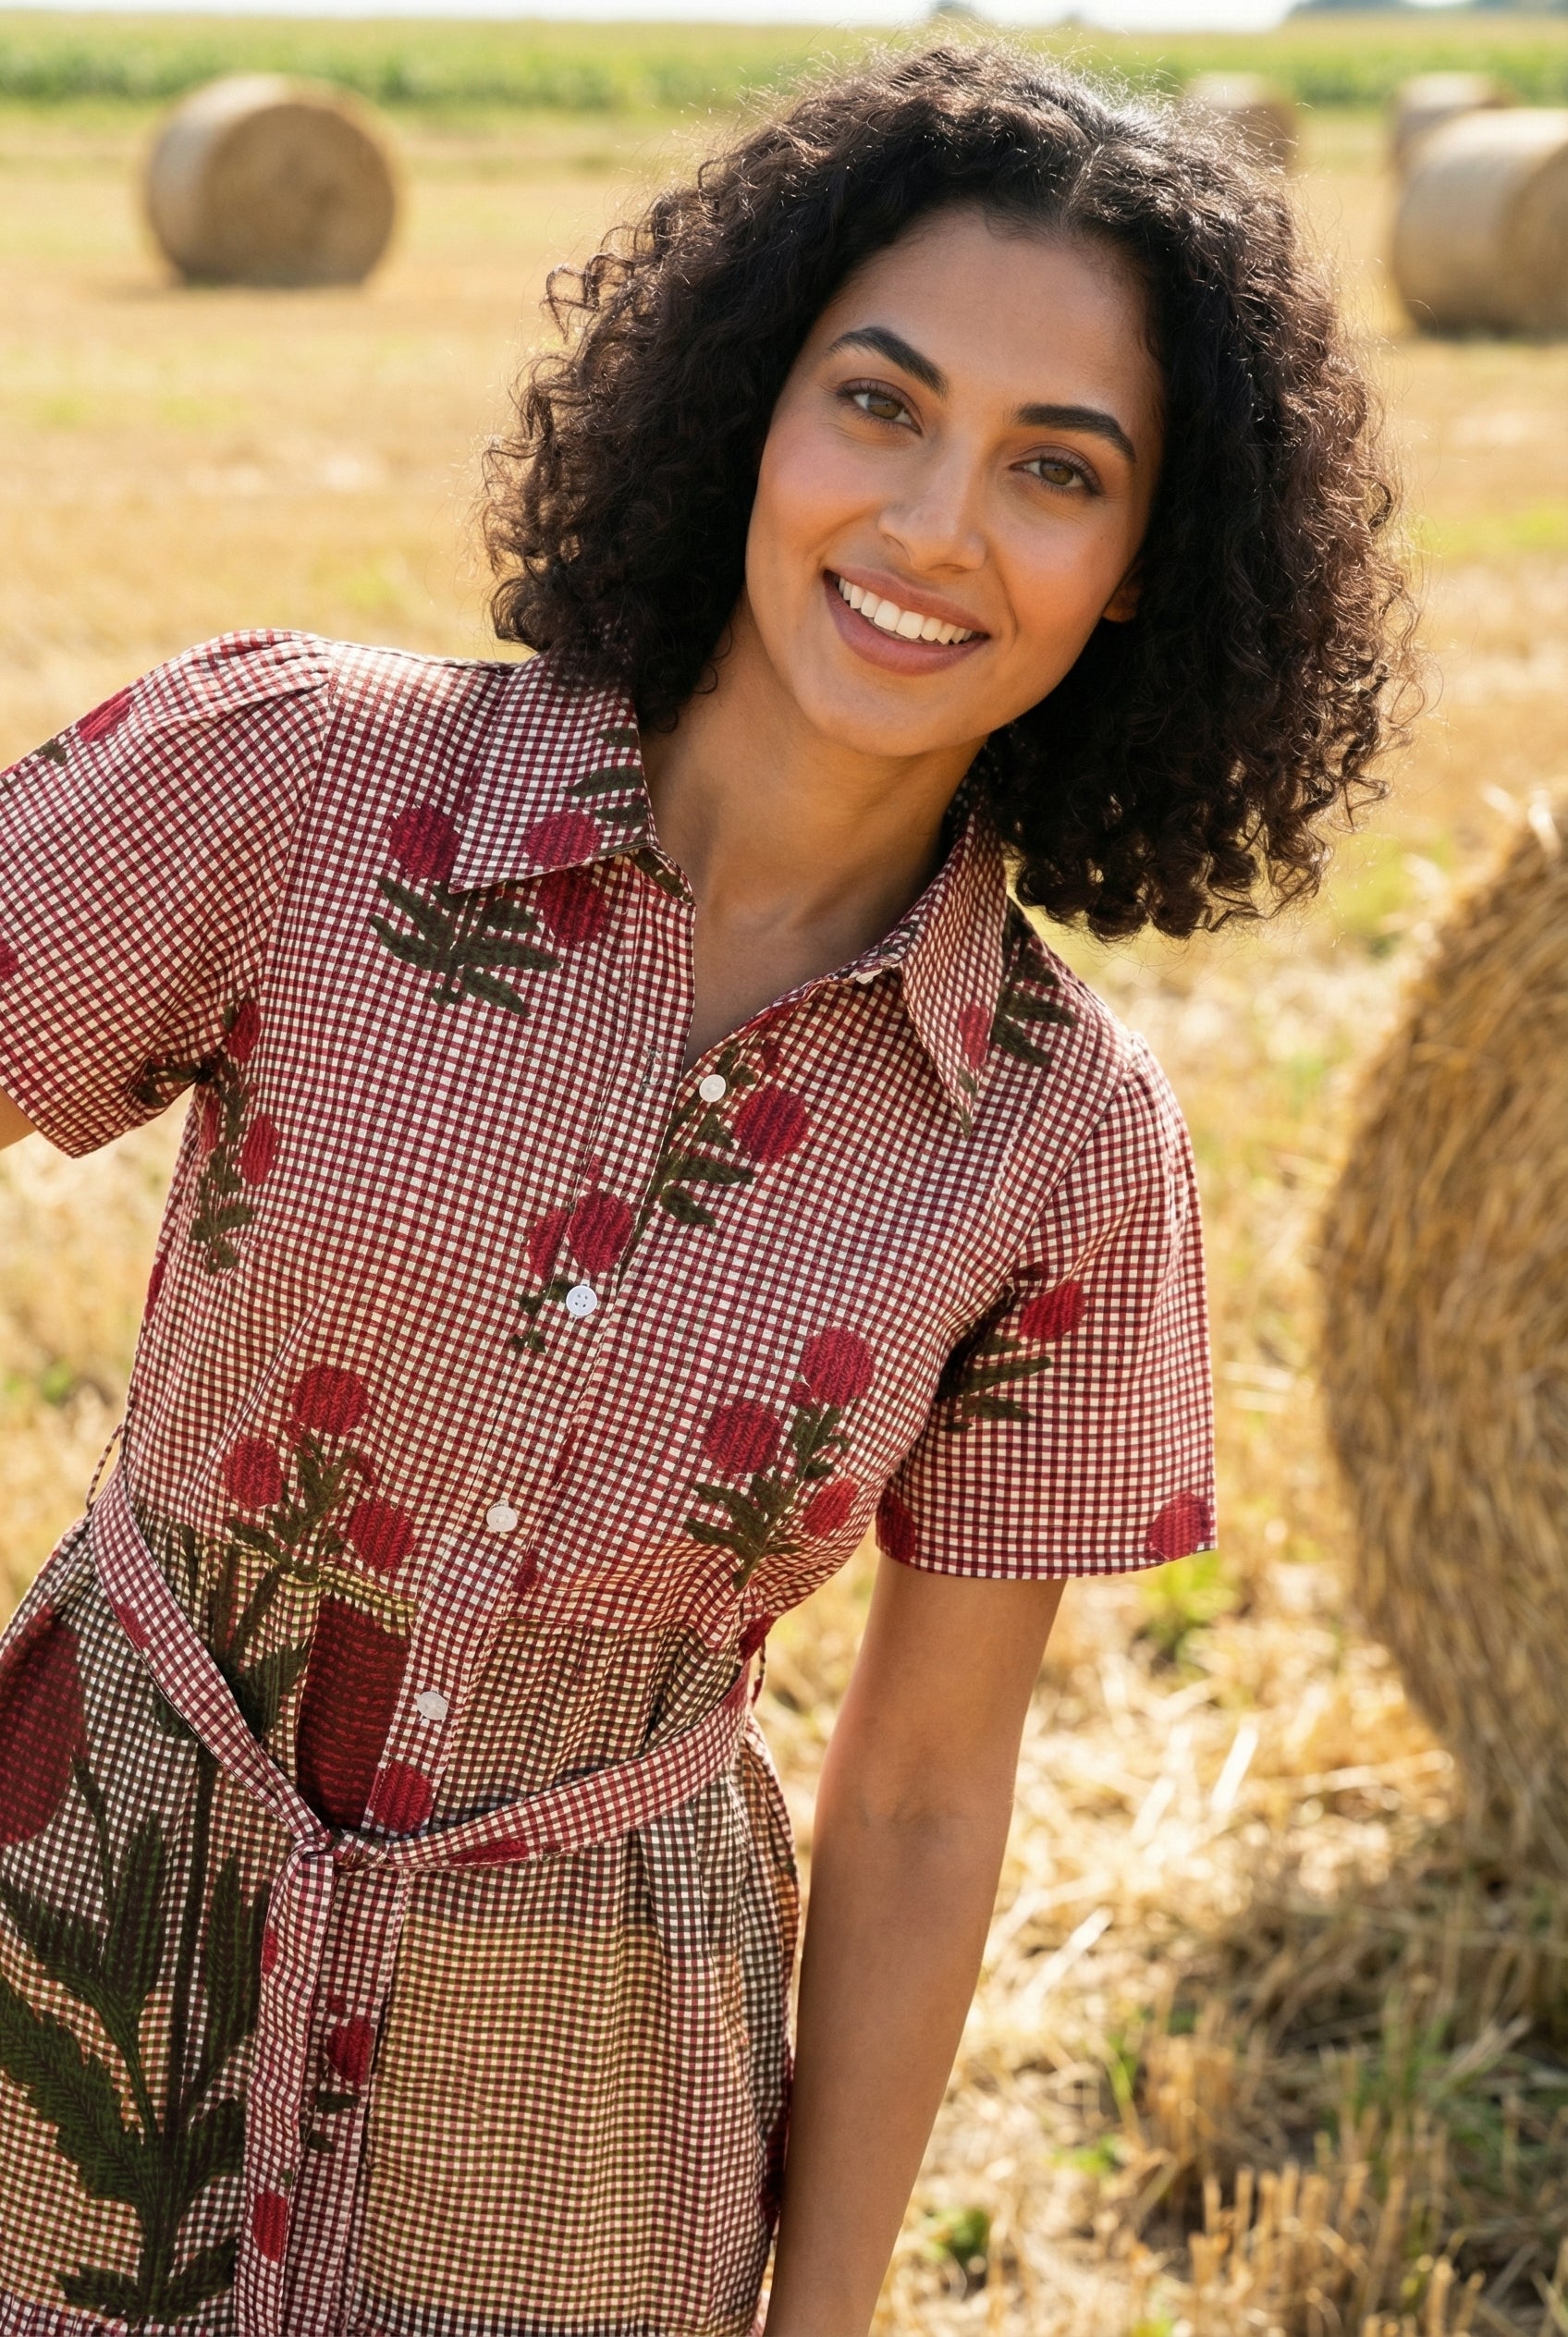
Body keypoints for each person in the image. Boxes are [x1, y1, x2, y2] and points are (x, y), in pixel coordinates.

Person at [0, 43, 1410, 2337]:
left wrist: (823, 2305)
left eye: (1054, 470)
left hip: (573, 2118)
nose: (932, 523)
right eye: (878, 403)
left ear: (1144, 576)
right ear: (755, 407)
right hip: (70, 1923)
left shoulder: (1062, 1145)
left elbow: (926, 1793)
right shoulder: (304, 782)